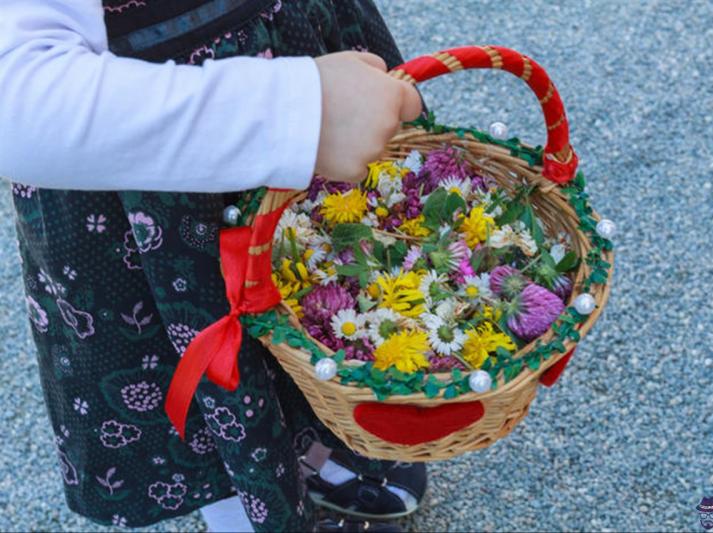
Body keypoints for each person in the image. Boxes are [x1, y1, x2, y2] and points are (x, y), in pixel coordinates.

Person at [0, 1, 425, 531]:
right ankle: (245, 506)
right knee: (215, 382)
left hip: (291, 37)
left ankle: (319, 442)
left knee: (326, 305)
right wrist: (295, 111)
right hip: (161, 172)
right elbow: (20, 98)